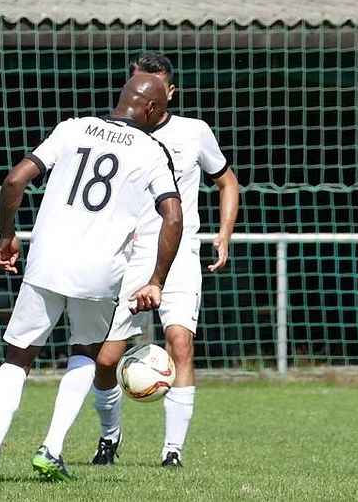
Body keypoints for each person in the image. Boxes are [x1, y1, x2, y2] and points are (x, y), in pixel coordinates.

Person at [0, 73, 184, 486]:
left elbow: (15, 180)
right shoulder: (152, 151)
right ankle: (51, 448)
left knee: (18, 358)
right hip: (100, 271)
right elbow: (173, 216)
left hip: (47, 261)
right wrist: (156, 279)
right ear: (152, 108)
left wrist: (6, 235)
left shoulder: (73, 128)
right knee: (85, 352)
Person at [90, 54, 240, 468]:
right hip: (128, 258)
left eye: (154, 87)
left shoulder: (194, 132)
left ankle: (172, 451)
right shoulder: (115, 136)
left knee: (181, 345)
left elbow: (227, 181)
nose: (145, 95)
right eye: (138, 85)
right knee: (106, 358)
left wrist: (223, 234)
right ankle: (109, 437)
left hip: (180, 256)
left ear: (169, 93)